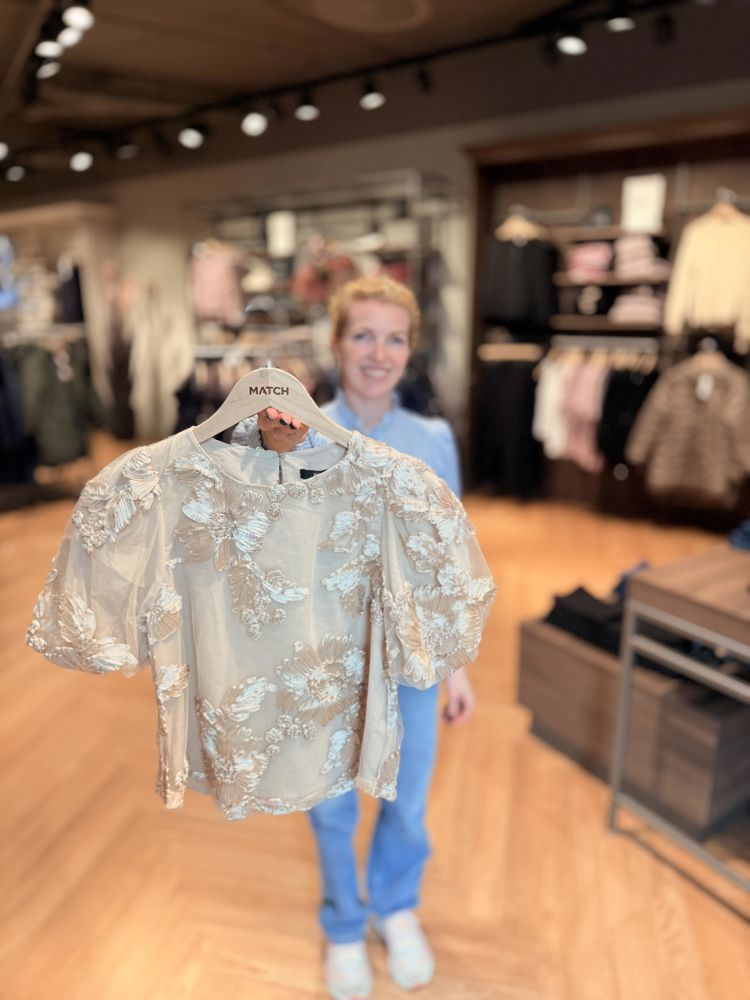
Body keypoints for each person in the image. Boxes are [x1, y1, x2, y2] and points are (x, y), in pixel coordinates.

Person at [232, 276, 475, 1000]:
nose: (379, 353)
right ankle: (343, 923)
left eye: (394, 338)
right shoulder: (291, 435)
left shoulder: (433, 441)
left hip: (412, 657)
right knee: (332, 805)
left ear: (410, 350)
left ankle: (395, 907)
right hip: (324, 659)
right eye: (363, 335)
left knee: (408, 800)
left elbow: (447, 557)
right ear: (336, 344)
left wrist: (458, 665)